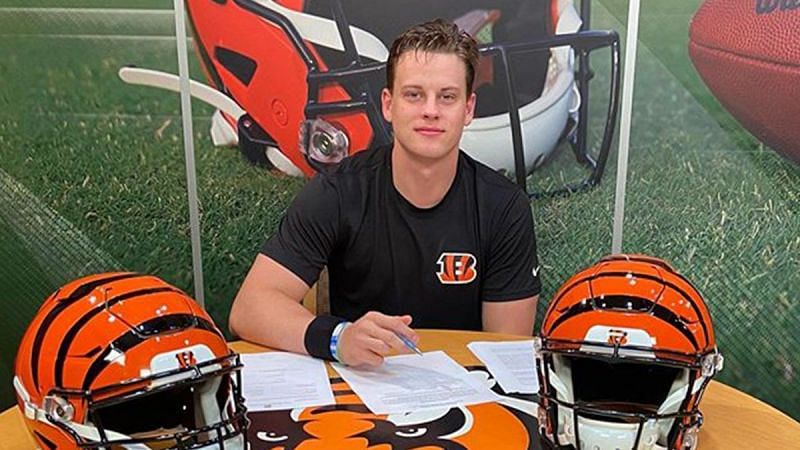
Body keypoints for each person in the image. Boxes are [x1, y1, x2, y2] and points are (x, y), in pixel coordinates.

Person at [230, 19, 541, 367]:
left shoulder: (503, 206)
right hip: (363, 384)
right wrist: (339, 337)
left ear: (468, 109)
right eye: (414, 94)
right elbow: (250, 307)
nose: (430, 110)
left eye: (447, 97)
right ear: (388, 105)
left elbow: (508, 352)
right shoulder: (340, 191)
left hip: (467, 394)